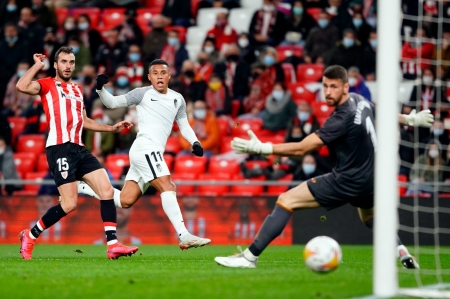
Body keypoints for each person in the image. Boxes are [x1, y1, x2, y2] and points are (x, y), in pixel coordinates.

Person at [214, 65, 434, 269]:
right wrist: (409, 120)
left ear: (345, 87)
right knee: (370, 218)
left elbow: (302, 149)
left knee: (285, 200)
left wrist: (263, 148)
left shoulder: (340, 118)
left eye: (334, 87)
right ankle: (402, 251)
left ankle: (249, 258)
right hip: (370, 179)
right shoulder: (361, 100)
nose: (328, 92)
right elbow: (382, 113)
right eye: (325, 86)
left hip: (348, 179)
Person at [15, 47, 138, 260]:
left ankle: (112, 245)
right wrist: (36, 65)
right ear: (55, 65)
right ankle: (30, 234)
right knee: (69, 204)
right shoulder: (46, 84)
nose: (68, 66)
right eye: (63, 61)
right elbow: (21, 86)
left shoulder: (78, 90)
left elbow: (85, 121)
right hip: (59, 147)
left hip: (79, 148)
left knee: (107, 191)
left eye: (71, 62)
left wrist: (111, 128)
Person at [80, 59, 211, 250]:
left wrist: (195, 142)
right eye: (155, 73)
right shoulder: (142, 93)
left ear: (169, 76)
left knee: (125, 201)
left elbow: (184, 126)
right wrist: (100, 89)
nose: (159, 76)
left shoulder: (178, 99)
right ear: (149, 77)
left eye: (163, 72)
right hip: (145, 148)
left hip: (148, 152)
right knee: (168, 185)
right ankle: (184, 235)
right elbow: (113, 102)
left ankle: (82, 187)